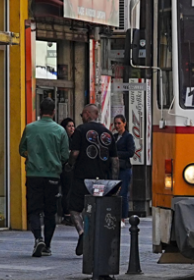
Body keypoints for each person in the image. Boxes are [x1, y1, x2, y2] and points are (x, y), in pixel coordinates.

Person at [19, 98, 70, 257]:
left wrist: (32, 156)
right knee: (50, 211)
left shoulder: (30, 128)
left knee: (34, 209)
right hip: (52, 176)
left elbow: (22, 150)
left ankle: (38, 238)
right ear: (54, 111)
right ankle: (47, 245)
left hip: (34, 174)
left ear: (40, 111)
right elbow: (64, 155)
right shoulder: (60, 131)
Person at [68, 104, 118, 256]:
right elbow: (115, 160)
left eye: (82, 114)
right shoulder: (108, 133)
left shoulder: (80, 130)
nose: (81, 117)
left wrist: (69, 164)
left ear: (89, 114)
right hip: (102, 180)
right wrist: (115, 182)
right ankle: (96, 239)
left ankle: (83, 233)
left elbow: (75, 153)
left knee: (74, 208)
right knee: (98, 208)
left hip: (82, 178)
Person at [114, 114, 136, 224]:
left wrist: (118, 154)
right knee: (115, 193)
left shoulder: (128, 137)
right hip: (115, 168)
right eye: (116, 123)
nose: (117, 126)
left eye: (119, 123)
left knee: (123, 192)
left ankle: (123, 216)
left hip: (124, 168)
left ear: (124, 123)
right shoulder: (114, 137)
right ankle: (116, 214)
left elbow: (131, 152)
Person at [58, 117, 76, 225]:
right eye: (69, 126)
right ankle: (66, 214)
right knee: (66, 190)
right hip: (65, 168)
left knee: (69, 190)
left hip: (70, 168)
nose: (72, 128)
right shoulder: (63, 139)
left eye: (73, 126)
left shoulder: (73, 139)